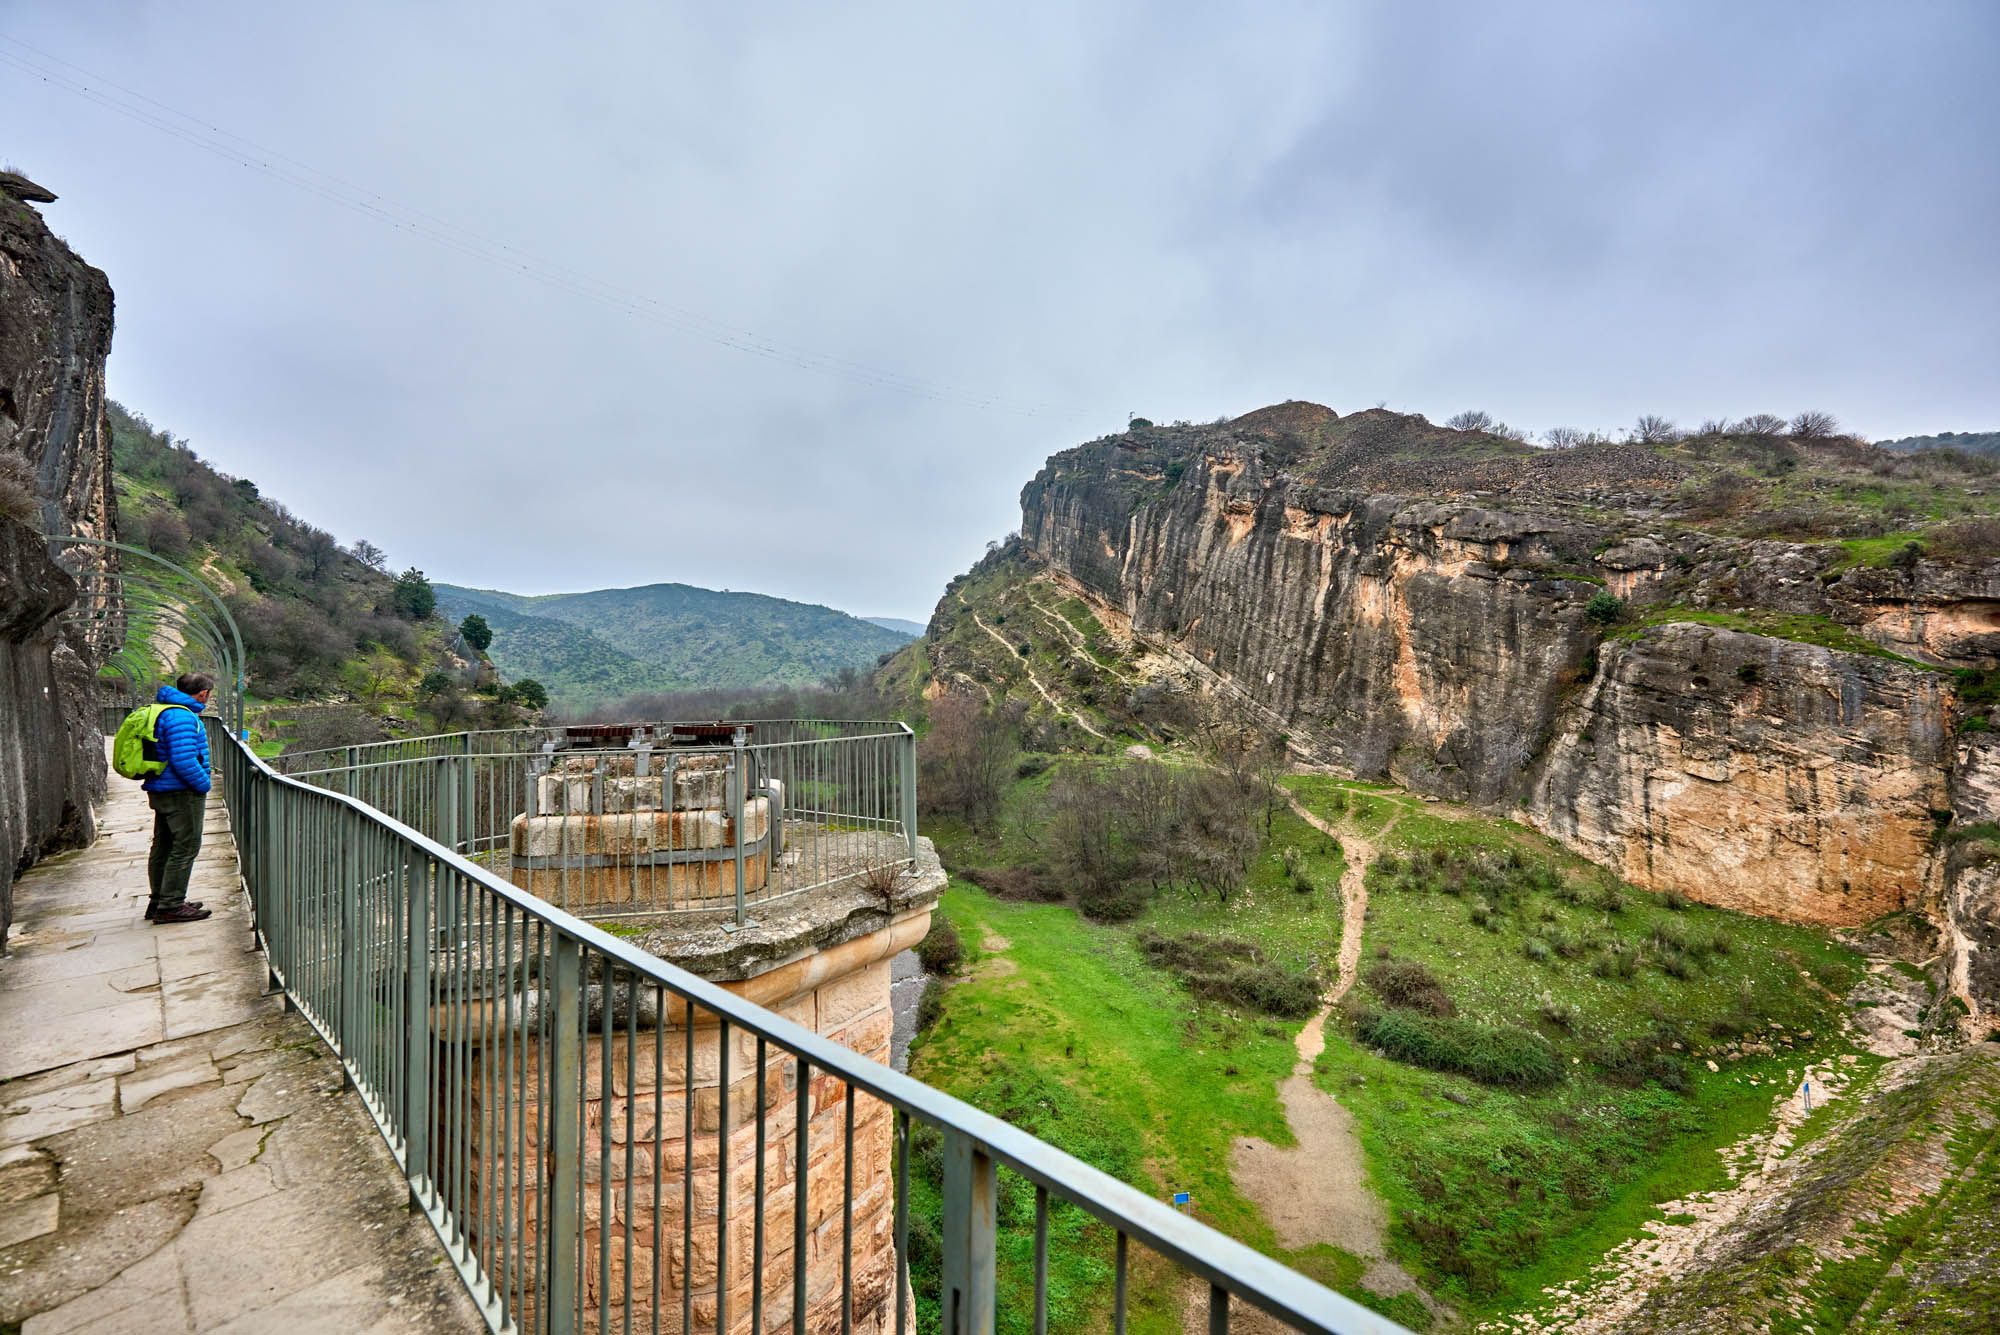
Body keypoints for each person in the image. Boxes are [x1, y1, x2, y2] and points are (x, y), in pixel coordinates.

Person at [144, 671, 216, 924]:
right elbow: (184, 759)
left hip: (163, 788)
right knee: (185, 846)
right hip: (180, 793)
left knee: (163, 846)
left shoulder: (167, 710)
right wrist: (204, 784)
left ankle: (160, 901)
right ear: (203, 693)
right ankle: (171, 905)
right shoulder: (183, 717)